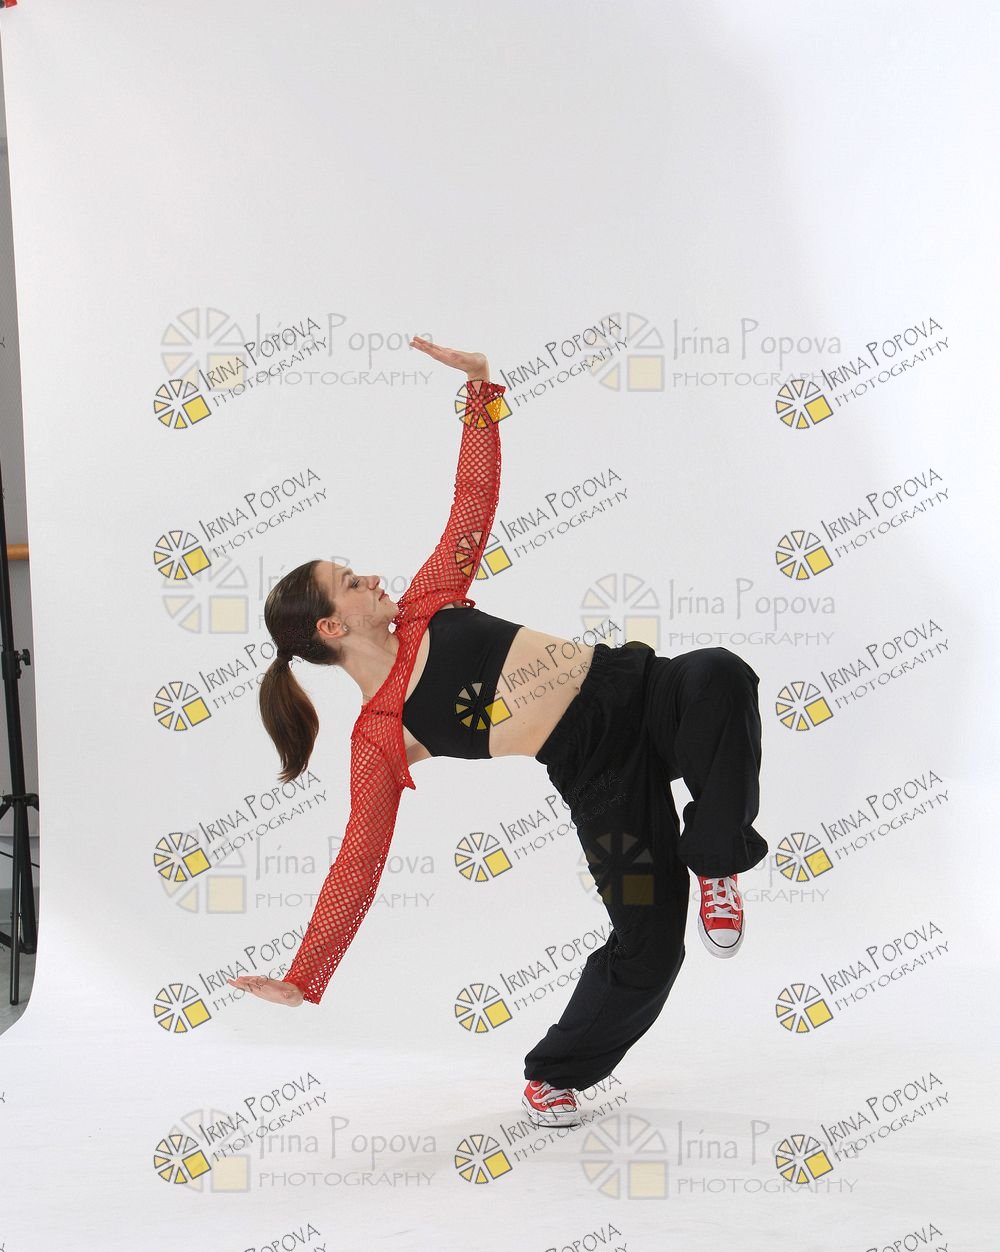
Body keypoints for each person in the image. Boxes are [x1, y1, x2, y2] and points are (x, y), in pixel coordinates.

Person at [229, 337, 768, 1128]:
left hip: (640, 690)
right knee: (651, 946)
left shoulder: (430, 601)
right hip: (599, 778)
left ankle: (717, 861)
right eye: (351, 583)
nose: (372, 577)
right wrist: (306, 975)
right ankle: (556, 1074)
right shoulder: (381, 735)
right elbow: (358, 862)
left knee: (719, 672)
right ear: (332, 626)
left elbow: (472, 500)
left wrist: (481, 392)